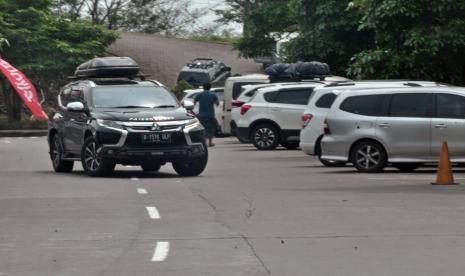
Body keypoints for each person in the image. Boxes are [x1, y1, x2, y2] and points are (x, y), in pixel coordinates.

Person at [194, 83, 219, 147]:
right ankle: (210, 142)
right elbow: (217, 103)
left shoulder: (200, 95)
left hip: (202, 115)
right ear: (210, 87)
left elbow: (194, 101)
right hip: (210, 115)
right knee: (210, 128)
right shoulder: (213, 95)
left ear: (203, 87)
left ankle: (204, 142)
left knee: (203, 128)